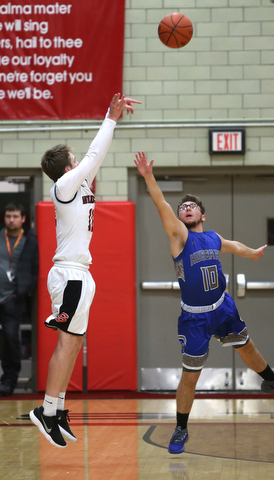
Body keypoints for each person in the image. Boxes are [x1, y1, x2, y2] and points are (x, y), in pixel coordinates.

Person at [134, 150, 274, 455]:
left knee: (248, 347)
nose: (186, 209)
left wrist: (251, 252)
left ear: (202, 214)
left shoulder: (212, 237)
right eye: (182, 207)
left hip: (223, 307)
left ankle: (273, 380)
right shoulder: (179, 237)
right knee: (191, 377)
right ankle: (181, 428)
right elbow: (161, 204)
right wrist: (148, 177)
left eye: (191, 206)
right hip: (195, 318)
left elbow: (232, 245)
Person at [29, 93, 141, 448]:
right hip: (69, 273)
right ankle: (45, 411)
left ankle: (58, 407)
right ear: (67, 169)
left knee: (75, 343)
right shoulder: (63, 186)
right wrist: (110, 117)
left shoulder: (77, 184)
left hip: (81, 274)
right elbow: (94, 155)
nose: (81, 164)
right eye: (74, 161)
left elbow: (92, 159)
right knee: (67, 342)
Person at [0, 202, 38, 396]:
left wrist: (25, 290)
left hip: (13, 300)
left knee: (10, 339)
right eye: (8, 216)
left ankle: (9, 381)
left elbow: (35, 269)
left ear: (23, 218)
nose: (11, 220)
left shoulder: (30, 241)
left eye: (15, 216)